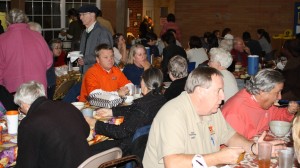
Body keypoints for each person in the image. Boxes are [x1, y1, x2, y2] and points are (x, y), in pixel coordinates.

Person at [143, 67, 285, 168]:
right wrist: (218, 158)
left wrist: (254, 148)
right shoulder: (173, 114)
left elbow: (230, 136)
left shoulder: (212, 110)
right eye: (219, 91)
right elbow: (173, 164)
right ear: (200, 92)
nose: (223, 97)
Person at [85, 68, 166, 155]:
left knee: (86, 150)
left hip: (127, 149)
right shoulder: (161, 99)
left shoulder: (142, 105)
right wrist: (111, 111)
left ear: (144, 83)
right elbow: (133, 109)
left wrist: (95, 123)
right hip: (146, 145)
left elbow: (120, 132)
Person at [14, 81, 91, 168]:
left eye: (20, 106)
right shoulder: (67, 106)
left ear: (25, 105)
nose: (21, 110)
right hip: (85, 164)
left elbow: (26, 163)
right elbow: (86, 132)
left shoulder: (29, 123)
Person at [222, 69, 299, 139]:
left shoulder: (264, 102)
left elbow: (276, 116)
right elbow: (234, 147)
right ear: (262, 91)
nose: (280, 97)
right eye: (277, 93)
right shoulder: (235, 112)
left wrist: (288, 112)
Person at [0, 9, 53, 93]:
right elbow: (49, 62)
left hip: (13, 91)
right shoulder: (38, 37)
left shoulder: (2, 39)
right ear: (25, 20)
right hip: (37, 88)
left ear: (7, 22)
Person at [77, 4, 113, 74]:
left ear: (92, 15)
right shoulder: (84, 33)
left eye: (83, 14)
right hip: (86, 72)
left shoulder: (103, 32)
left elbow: (106, 55)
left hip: (98, 74)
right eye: (80, 15)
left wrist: (86, 59)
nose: (80, 17)